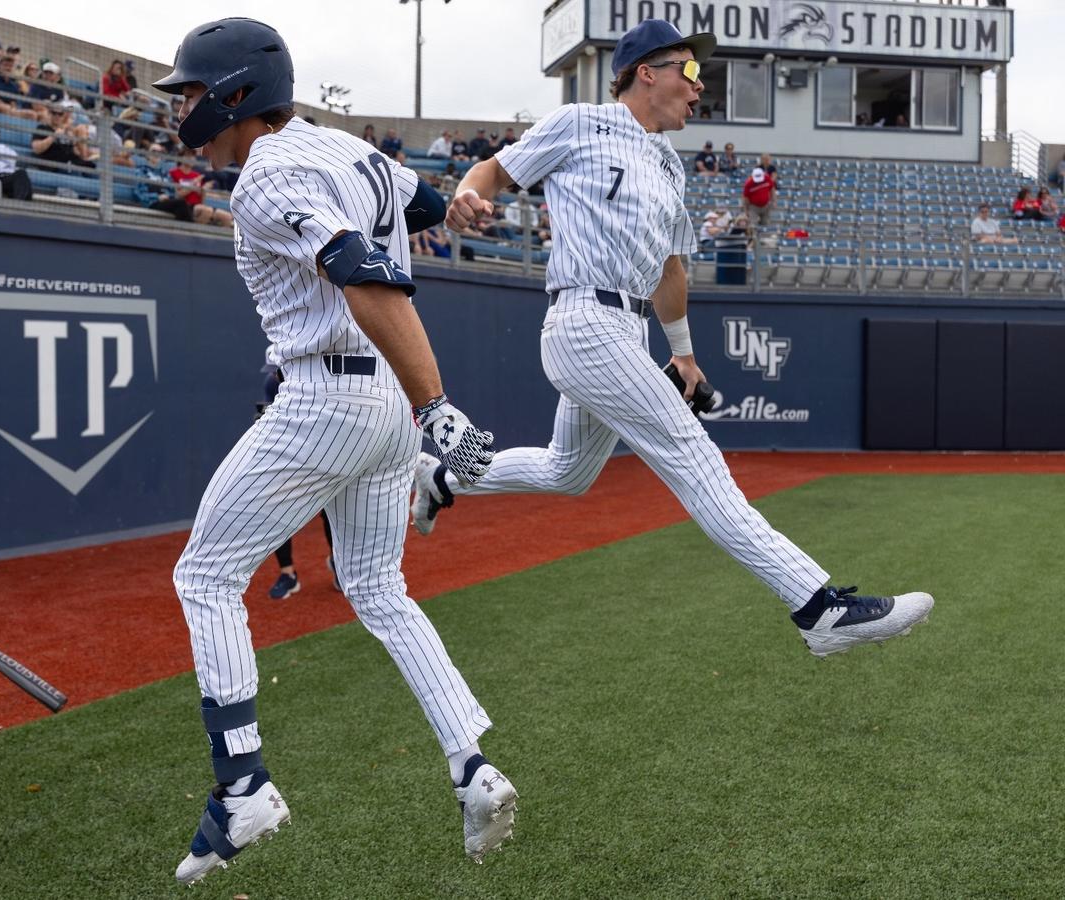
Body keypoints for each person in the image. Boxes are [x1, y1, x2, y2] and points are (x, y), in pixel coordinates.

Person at [419, 18, 933, 661]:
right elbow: (492, 172)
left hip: (627, 329)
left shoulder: (668, 162)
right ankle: (818, 607)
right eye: (690, 74)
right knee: (696, 459)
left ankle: (446, 476)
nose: (699, 90)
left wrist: (682, 353)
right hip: (583, 319)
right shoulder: (581, 122)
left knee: (567, 471)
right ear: (646, 73)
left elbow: (670, 269)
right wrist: (466, 194)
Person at [152, 17, 516, 885]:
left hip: (333, 390)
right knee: (378, 587)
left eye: (193, 92)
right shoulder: (344, 147)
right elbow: (422, 205)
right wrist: (455, 203)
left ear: (237, 92)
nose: (183, 109)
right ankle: (473, 767)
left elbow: (358, 267)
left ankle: (243, 786)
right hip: (380, 405)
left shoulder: (265, 178)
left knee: (203, 576)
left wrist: (437, 403)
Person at [257, 367, 340, 599]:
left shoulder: (321, 380)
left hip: (326, 451)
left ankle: (338, 562)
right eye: (272, 370)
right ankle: (288, 574)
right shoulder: (271, 384)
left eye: (278, 369)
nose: (275, 374)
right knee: (277, 509)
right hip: (289, 454)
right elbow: (270, 425)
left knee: (332, 510)